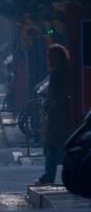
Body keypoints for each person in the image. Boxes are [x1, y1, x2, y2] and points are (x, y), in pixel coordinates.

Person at [36, 44, 72, 186]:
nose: (48, 60)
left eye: (51, 57)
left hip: (60, 116)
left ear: (59, 57)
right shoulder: (58, 72)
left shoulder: (60, 74)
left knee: (53, 146)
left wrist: (52, 106)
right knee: (57, 146)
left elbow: (63, 95)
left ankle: (49, 175)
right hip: (56, 115)